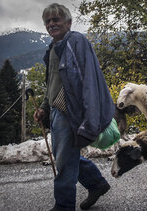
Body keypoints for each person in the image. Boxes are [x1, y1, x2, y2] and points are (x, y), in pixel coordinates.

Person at [33, 3, 115, 211]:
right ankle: (97, 184)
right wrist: (44, 107)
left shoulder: (77, 42)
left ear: (68, 22)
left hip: (70, 113)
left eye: (56, 19)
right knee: (68, 157)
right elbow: (52, 83)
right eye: (48, 21)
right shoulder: (53, 48)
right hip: (55, 112)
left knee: (64, 162)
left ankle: (64, 205)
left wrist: (90, 116)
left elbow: (89, 81)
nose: (51, 24)